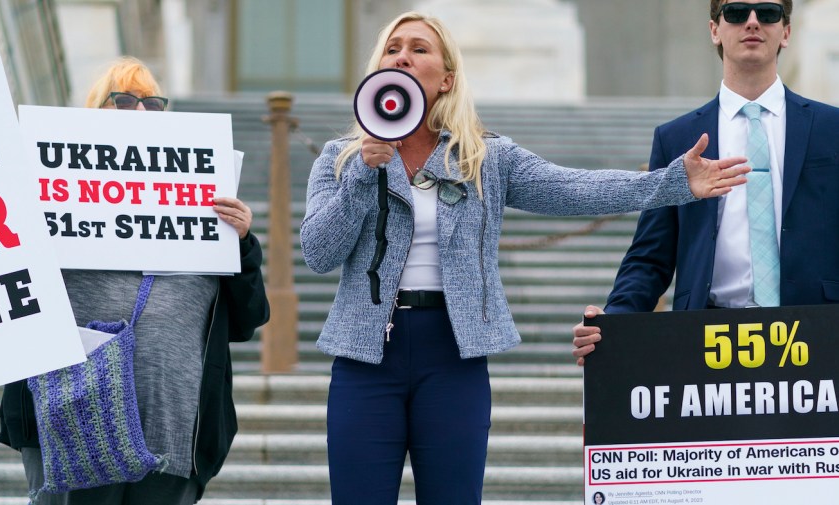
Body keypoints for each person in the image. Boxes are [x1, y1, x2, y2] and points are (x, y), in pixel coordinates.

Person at [300, 11, 749, 505]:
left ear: (447, 78)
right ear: (378, 69)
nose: (403, 55)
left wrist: (673, 182)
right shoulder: (339, 157)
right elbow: (320, 251)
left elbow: (575, 188)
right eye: (393, 48)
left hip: (454, 354)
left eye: (420, 48)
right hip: (366, 359)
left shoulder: (484, 157)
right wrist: (364, 173)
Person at [0, 57, 269, 505]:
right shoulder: (47, 203)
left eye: (152, 104)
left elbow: (247, 320)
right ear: (93, 113)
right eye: (125, 100)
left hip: (173, 436)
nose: (140, 113)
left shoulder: (205, 210)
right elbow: (1, 287)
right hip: (71, 429)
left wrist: (244, 244)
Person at [572, 0, 839, 365]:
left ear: (786, 32)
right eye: (735, 12)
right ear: (714, 29)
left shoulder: (831, 129)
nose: (752, 22)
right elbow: (651, 256)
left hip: (815, 335)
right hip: (707, 339)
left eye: (768, 13)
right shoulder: (677, 139)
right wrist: (612, 323)